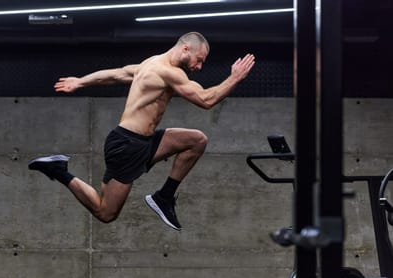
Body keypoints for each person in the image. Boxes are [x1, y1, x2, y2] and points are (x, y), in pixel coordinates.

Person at [29, 32, 255, 230]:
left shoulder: (150, 63)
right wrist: (235, 78)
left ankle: (164, 197)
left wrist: (81, 82)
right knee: (106, 212)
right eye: (199, 60)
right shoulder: (169, 72)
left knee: (196, 140)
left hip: (141, 142)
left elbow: (116, 74)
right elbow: (207, 100)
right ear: (186, 48)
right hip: (128, 146)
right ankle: (59, 170)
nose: (199, 67)